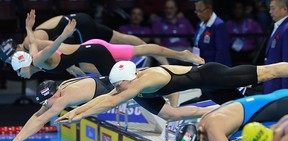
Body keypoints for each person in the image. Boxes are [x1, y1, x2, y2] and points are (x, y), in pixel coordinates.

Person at [3, 76, 214, 141]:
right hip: (117, 91)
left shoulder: (64, 96)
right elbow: (38, 114)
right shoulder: (60, 89)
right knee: (170, 115)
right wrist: (17, 139)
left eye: (47, 101)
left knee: (171, 111)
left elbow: (41, 119)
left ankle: (203, 96)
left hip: (123, 92)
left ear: (55, 94)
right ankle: (211, 110)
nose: (46, 106)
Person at [54, 59, 288, 125]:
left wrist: (79, 115)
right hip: (208, 87)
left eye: (119, 85)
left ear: (129, 79)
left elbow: (109, 102)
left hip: (212, 74)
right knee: (246, 112)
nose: (116, 89)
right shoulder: (130, 83)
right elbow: (106, 97)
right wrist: (73, 112)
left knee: (268, 72)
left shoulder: (142, 82)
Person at [11, 10, 204, 80]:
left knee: (123, 81)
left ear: (26, 65)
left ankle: (168, 70)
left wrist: (64, 35)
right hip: (93, 48)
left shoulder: (38, 59)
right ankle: (181, 57)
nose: (19, 75)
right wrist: (29, 27)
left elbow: (52, 47)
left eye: (19, 71)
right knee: (139, 50)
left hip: (95, 52)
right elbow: (34, 42)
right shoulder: (34, 55)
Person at [0, 11, 168, 64]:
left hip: (77, 28)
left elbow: (56, 47)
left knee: (89, 60)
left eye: (10, 61)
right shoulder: (29, 43)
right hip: (79, 20)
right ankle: (160, 58)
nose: (12, 64)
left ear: (16, 51)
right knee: (120, 38)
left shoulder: (30, 43)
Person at [151, 0, 195, 65]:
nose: (169, 11)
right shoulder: (158, 23)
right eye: (167, 8)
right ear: (164, 9)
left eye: (171, 8)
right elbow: (157, 42)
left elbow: (194, 38)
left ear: (176, 9)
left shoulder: (184, 21)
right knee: (161, 57)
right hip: (168, 52)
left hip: (185, 50)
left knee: (196, 54)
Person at [193, 0, 232, 66]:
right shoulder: (200, 24)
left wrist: (216, 70)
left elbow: (221, 52)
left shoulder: (219, 25)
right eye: (197, 11)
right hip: (201, 66)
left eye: (200, 11)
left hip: (215, 68)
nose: (198, 14)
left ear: (209, 8)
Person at [262, 0, 288, 94]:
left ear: (285, 9)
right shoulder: (279, 26)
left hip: (279, 86)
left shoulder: (286, 28)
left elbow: (286, 62)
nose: (270, 11)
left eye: (273, 8)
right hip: (272, 83)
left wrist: (285, 92)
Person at [226, 1, 263, 65]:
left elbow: (261, 41)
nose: (237, 11)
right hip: (234, 54)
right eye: (235, 8)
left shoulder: (252, 23)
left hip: (250, 53)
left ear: (244, 10)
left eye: (240, 8)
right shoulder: (228, 25)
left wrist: (256, 52)